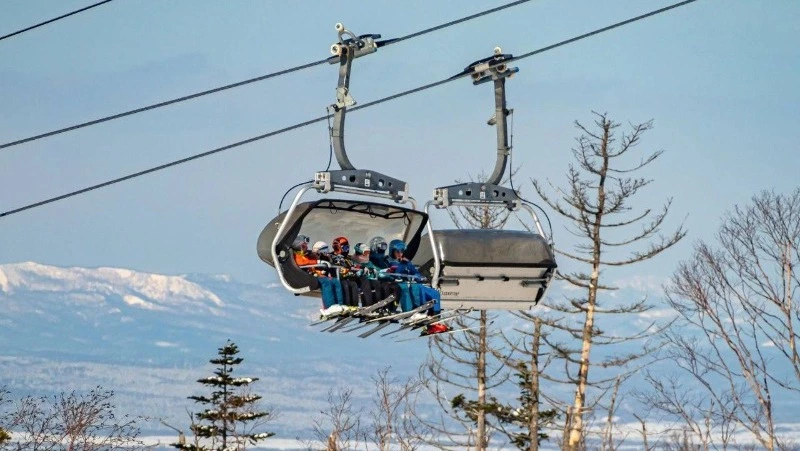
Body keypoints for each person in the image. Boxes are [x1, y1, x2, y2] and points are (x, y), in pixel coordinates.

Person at [386, 239, 449, 335]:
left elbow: (415, 272)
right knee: (409, 288)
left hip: (413, 283)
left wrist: (420, 277)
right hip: (399, 285)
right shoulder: (390, 261)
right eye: (397, 252)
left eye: (402, 252)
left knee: (434, 293)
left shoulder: (407, 262)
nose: (400, 254)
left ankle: (435, 320)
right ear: (392, 252)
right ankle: (409, 314)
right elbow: (395, 271)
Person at [292, 235, 346, 317]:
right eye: (304, 245)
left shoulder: (304, 254)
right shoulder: (297, 255)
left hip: (311, 275)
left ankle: (339, 305)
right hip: (304, 278)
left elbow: (309, 262)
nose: (306, 247)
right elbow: (302, 263)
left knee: (335, 281)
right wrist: (318, 261)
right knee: (327, 282)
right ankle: (329, 307)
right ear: (298, 245)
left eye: (306, 245)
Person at [353, 242, 394, 308]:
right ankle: (368, 305)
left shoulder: (369, 263)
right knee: (368, 282)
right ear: (359, 252)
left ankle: (385, 306)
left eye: (368, 252)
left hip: (371, 280)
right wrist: (362, 270)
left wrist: (390, 275)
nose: (368, 254)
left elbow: (378, 271)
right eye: (366, 252)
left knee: (383, 284)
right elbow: (354, 271)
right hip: (359, 281)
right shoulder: (354, 261)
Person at [330, 236, 361, 308]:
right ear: (338, 248)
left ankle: (354, 306)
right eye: (345, 248)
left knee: (353, 284)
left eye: (348, 248)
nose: (347, 250)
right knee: (345, 285)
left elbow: (355, 265)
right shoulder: (332, 256)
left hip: (348, 277)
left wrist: (360, 268)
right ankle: (346, 305)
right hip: (337, 278)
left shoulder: (348, 258)